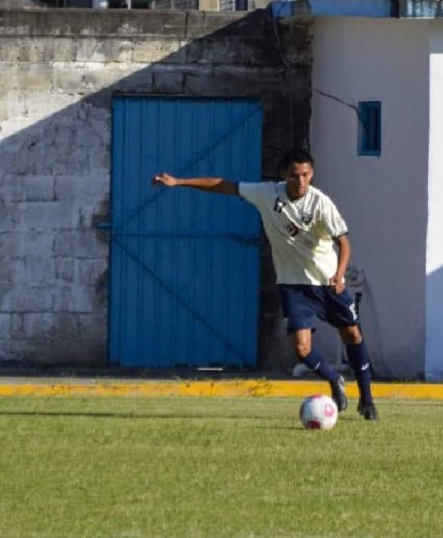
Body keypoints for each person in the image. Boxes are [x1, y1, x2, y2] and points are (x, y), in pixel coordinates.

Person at [151, 148, 378, 420]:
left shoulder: (321, 203)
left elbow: (343, 243)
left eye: (306, 175)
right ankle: (334, 380)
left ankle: (367, 399)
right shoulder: (267, 194)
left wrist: (339, 275)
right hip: (293, 285)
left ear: (312, 174)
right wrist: (179, 182)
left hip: (328, 283)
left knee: (353, 336)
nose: (301, 181)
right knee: (302, 349)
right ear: (284, 174)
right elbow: (225, 185)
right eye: (295, 176)